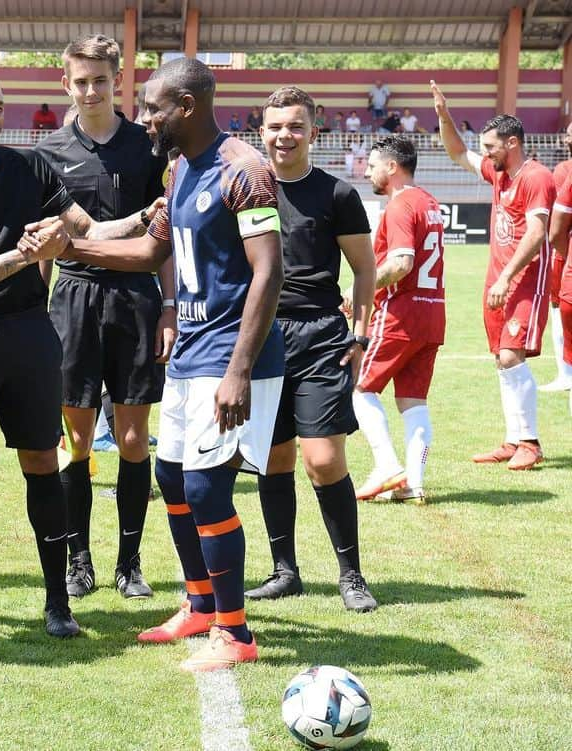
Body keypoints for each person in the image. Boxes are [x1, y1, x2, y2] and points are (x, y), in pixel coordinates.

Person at [40, 57, 285, 671]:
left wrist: (237, 370)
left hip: (231, 358)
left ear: (187, 107)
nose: (145, 117)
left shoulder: (244, 170)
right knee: (173, 481)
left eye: (154, 106)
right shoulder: (179, 172)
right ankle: (201, 605)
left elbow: (269, 271)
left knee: (206, 487)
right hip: (190, 353)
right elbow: (153, 249)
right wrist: (68, 246)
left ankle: (236, 633)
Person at [0, 71, 157, 638]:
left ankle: (56, 603)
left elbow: (88, 230)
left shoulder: (34, 168)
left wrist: (148, 216)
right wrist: (26, 257)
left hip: (31, 337)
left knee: (44, 461)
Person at [34, 33, 173, 600]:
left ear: (119, 80)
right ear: (65, 83)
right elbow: (43, 247)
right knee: (77, 439)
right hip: (73, 301)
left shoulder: (148, 147)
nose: (90, 90)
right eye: (80, 80)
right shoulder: (48, 156)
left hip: (137, 300)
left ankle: (130, 562)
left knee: (135, 438)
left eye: (100, 80)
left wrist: (168, 307)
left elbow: (166, 235)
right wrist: (34, 318)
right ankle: (79, 559)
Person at [247, 86, 378, 613]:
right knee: (273, 460)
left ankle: (351, 575)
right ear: (262, 131)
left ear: (313, 131)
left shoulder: (337, 194)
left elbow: (365, 268)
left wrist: (362, 333)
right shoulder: (245, 190)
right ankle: (285, 571)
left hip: (321, 335)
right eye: (276, 127)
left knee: (323, 460)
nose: (285, 136)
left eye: (295, 126)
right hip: (260, 336)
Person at [432, 81, 554, 470]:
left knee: (510, 355)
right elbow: (456, 152)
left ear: (513, 143)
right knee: (502, 362)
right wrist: (443, 114)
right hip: (498, 280)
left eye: (491, 147)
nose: (485, 154)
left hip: (525, 280)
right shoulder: (499, 173)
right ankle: (512, 440)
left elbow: (537, 233)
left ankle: (530, 443)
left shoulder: (536, 178)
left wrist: (506, 280)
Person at [353, 135, 446, 504]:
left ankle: (388, 466)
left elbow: (402, 263)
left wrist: (358, 291)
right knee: (413, 401)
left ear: (392, 167)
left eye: (373, 165)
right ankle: (413, 484)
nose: (368, 171)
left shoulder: (400, 205)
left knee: (359, 387)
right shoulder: (430, 202)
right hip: (432, 314)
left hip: (400, 315)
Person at [540, 119, 572, 392]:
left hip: (565, 253)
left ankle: (565, 374)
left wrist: (564, 252)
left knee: (559, 310)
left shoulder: (563, 170)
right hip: (564, 250)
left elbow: (557, 223)